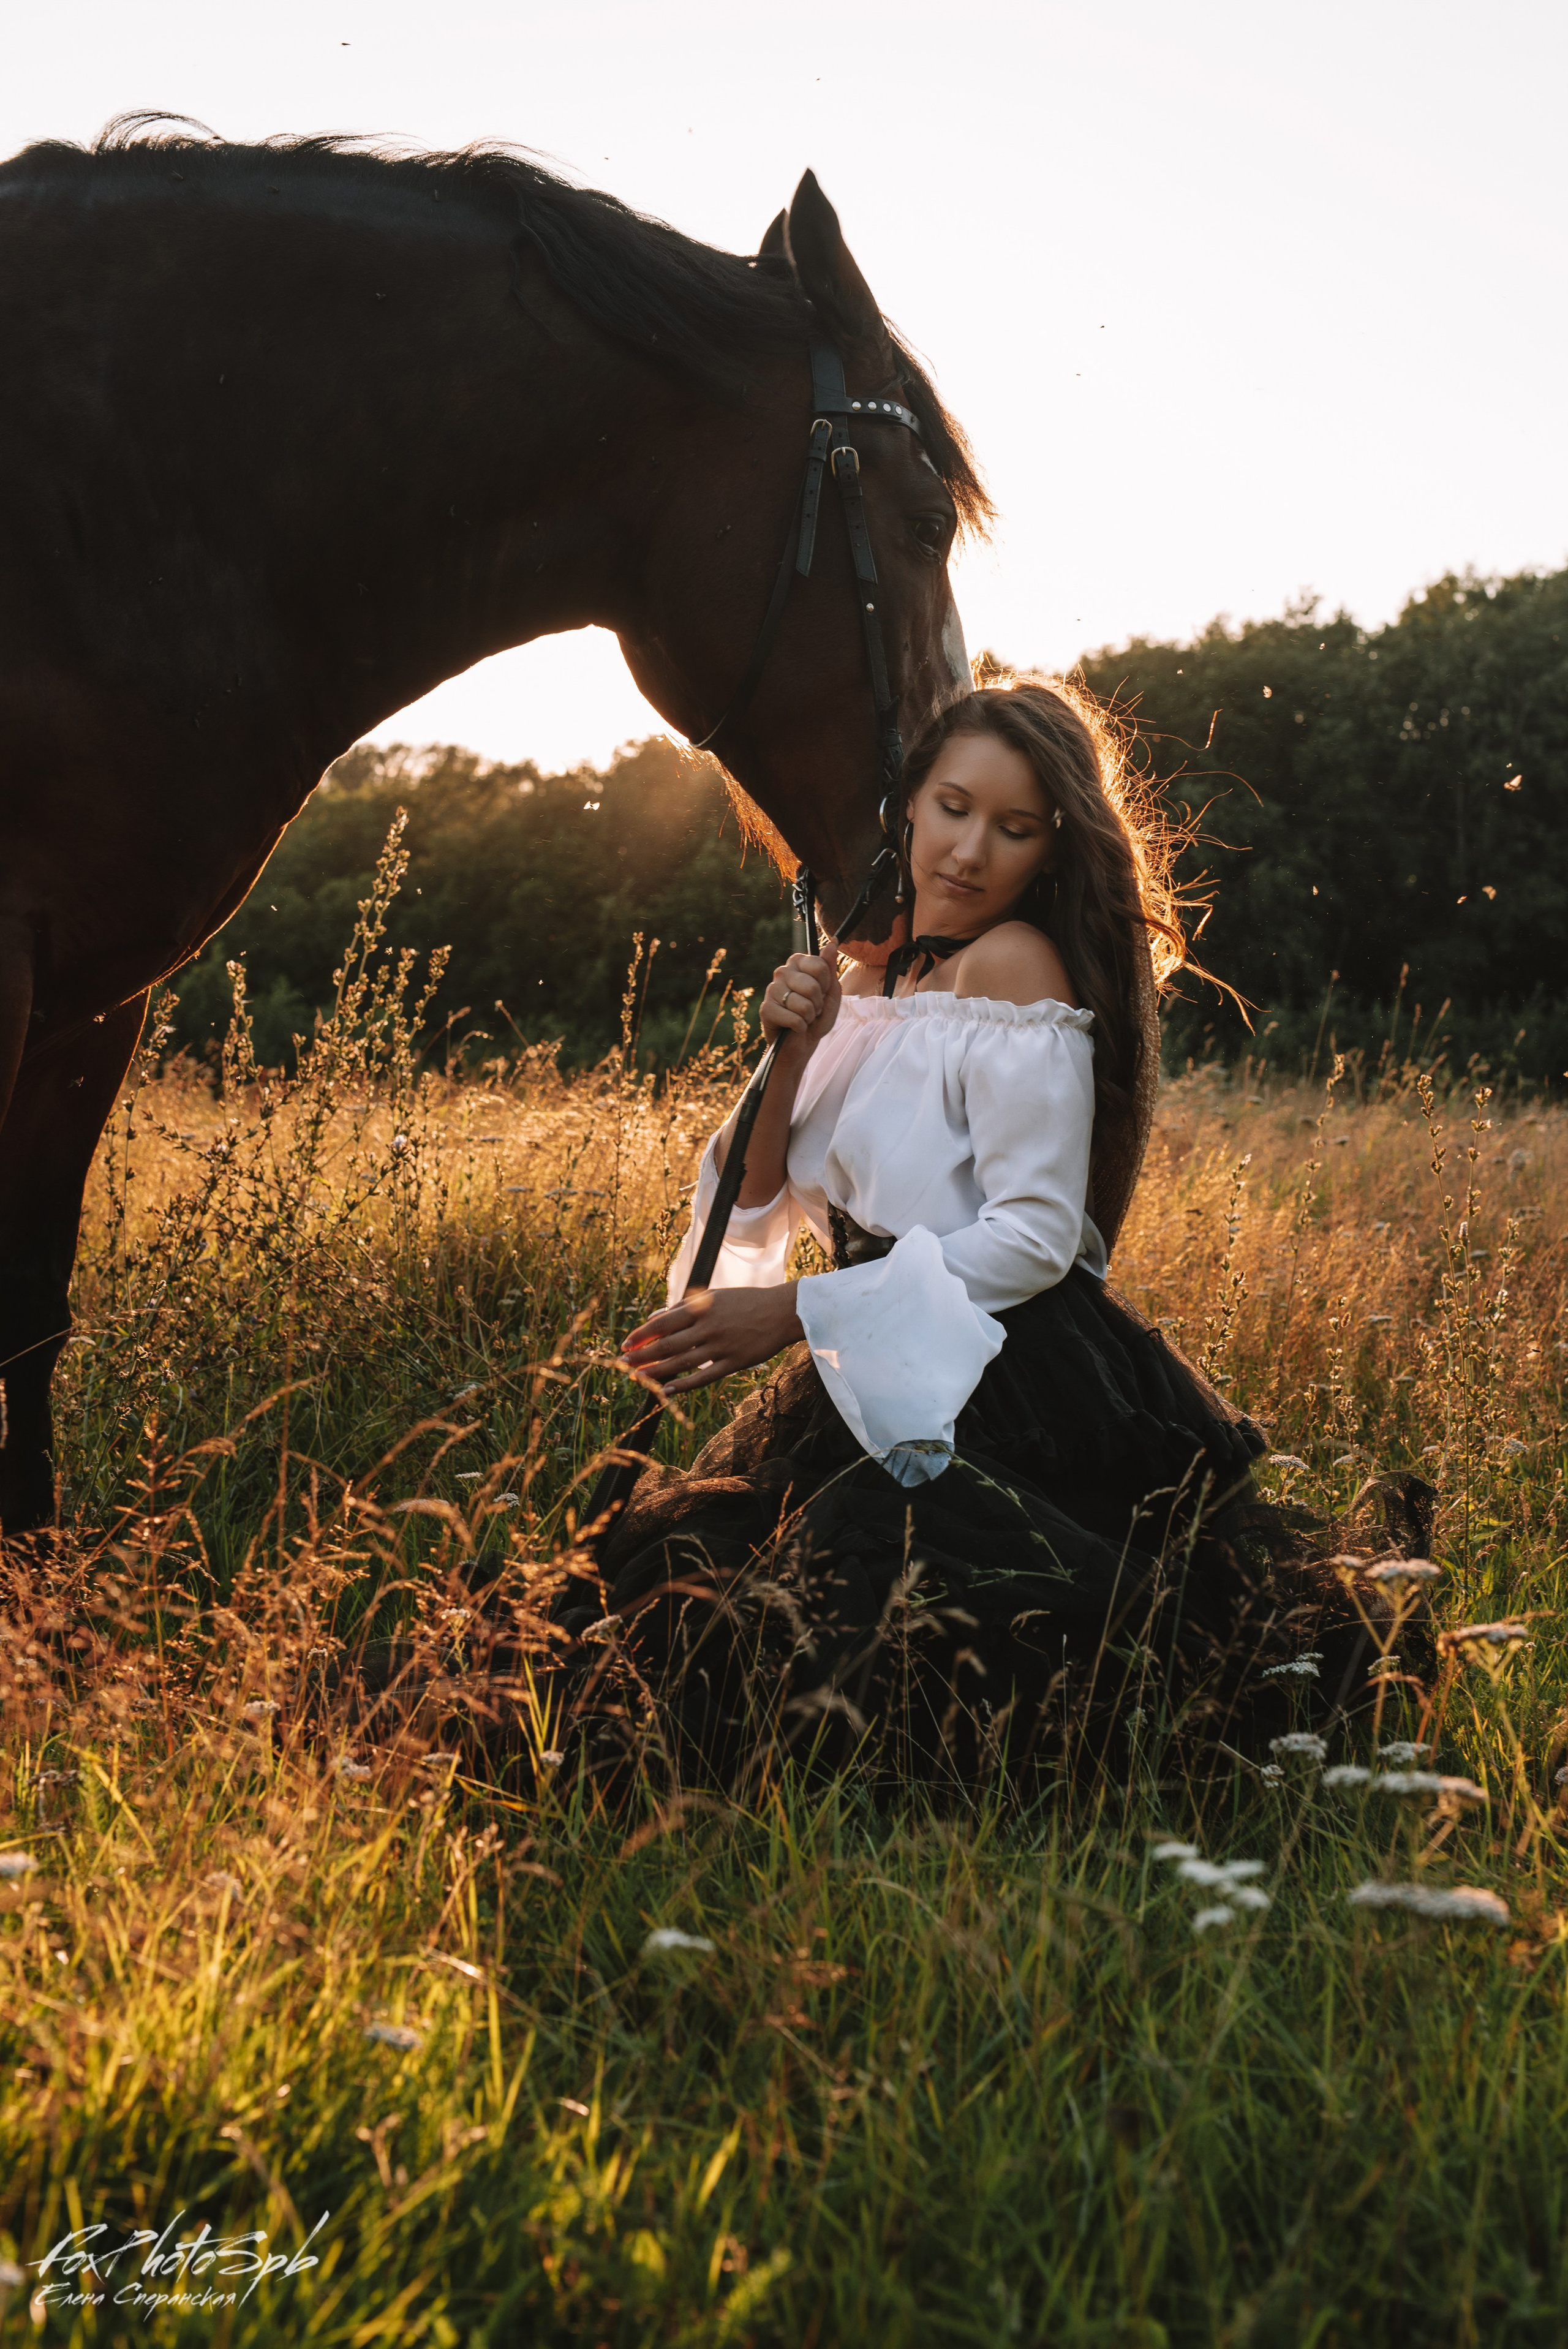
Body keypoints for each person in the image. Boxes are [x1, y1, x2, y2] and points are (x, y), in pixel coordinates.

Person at [587, 677, 1336, 1786]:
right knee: (693, 1618)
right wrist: (790, 1048)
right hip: (870, 1352)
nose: (971, 851)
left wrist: (794, 1311)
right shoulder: (862, 973)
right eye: (952, 806)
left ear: (1050, 849)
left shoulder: (1015, 972)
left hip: (998, 1369)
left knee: (887, 1641)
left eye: (1014, 828)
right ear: (909, 803)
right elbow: (752, 1200)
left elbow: (1038, 1238)